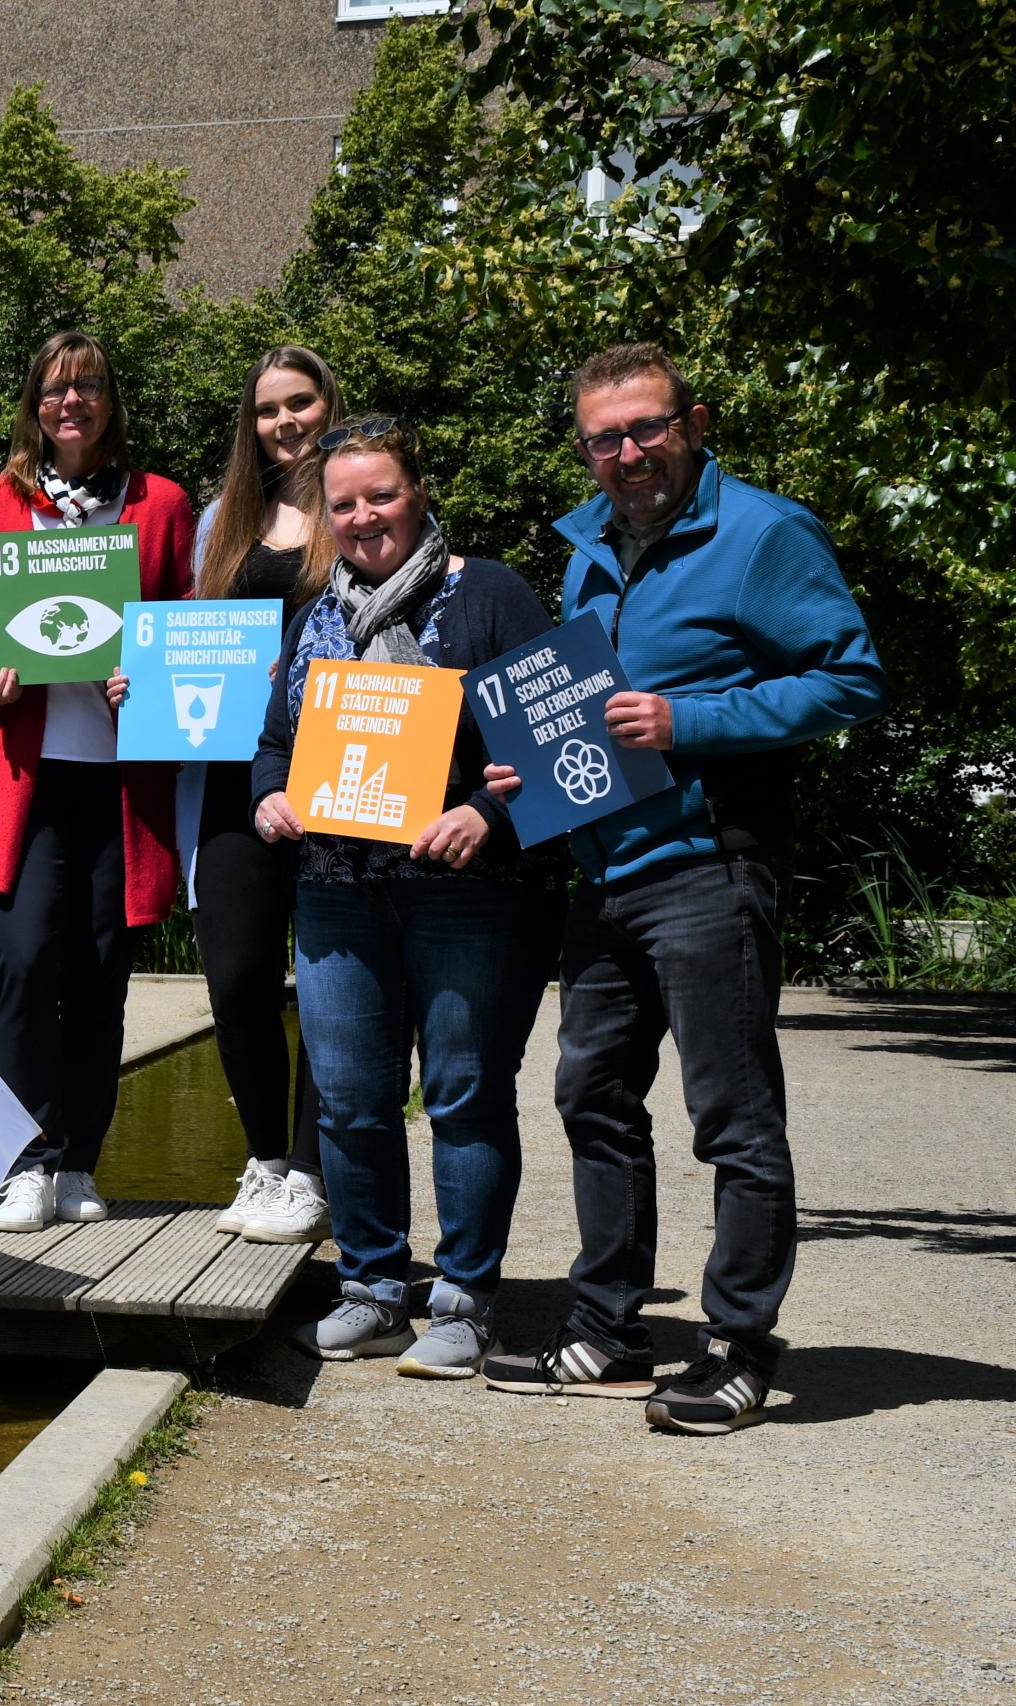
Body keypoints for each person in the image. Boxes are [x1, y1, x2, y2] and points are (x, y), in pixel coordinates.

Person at [480, 344, 887, 1432]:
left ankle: (737, 1345)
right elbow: (586, 713)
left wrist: (687, 720)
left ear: (691, 423)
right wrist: (525, 773)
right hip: (604, 871)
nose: (627, 453)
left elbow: (849, 677)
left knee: (732, 1117)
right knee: (591, 1096)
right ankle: (608, 1328)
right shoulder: (587, 548)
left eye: (646, 428)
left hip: (710, 863)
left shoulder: (761, 532)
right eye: (604, 437)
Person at [252, 417, 562, 1377]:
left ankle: (465, 1302)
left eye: (379, 495)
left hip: (465, 894)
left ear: (420, 491)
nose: (361, 517)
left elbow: (554, 745)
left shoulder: (492, 596)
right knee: (349, 1102)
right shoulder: (317, 618)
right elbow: (273, 746)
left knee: (466, 1096)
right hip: (339, 892)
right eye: (342, 503)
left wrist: (484, 815)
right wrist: (269, 798)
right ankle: (375, 1289)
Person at [0, 331, 194, 1232]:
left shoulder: (160, 502)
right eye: (54, 390)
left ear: (110, 399)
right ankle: (26, 1160)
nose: (71, 403)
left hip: (121, 783)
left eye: (88, 386)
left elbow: (184, 622)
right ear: (33, 406)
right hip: (23, 775)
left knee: (100, 972)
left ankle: (81, 1159)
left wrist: (152, 675)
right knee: (22, 962)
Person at [184, 346, 344, 1246]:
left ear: (327, 405)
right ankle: (265, 1160)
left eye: (299, 402)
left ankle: (313, 1169)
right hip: (230, 777)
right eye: (266, 410)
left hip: (336, 772)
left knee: (329, 976)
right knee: (238, 974)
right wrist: (146, 683)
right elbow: (190, 634)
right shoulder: (224, 519)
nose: (284, 422)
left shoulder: (358, 502)